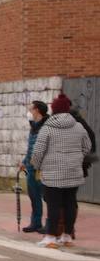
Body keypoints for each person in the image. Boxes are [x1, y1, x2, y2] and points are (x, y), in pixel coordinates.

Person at [31, 92, 93, 249]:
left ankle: (51, 237)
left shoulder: (48, 128)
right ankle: (66, 236)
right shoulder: (78, 126)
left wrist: (37, 166)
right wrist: (76, 158)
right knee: (70, 203)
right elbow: (87, 147)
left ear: (54, 110)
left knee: (53, 204)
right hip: (73, 172)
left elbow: (38, 151)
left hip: (53, 173)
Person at [18, 101, 49, 233]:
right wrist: (24, 162)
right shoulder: (33, 126)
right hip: (31, 167)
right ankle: (35, 222)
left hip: (42, 167)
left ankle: (50, 224)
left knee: (47, 197)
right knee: (34, 196)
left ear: (37, 110)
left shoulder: (46, 126)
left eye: (31, 109)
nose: (29, 111)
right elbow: (31, 148)